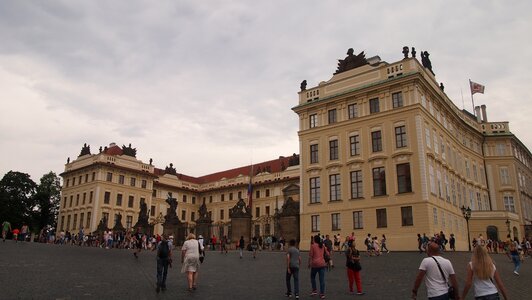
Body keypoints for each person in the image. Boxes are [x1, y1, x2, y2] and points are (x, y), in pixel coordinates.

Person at [309, 235, 329, 299]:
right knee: (322, 280)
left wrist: (309, 263)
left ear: (314, 240)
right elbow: (328, 254)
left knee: (312, 277)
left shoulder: (313, 246)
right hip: (322, 264)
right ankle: (322, 294)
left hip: (315, 264)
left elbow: (310, 255)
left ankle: (314, 290)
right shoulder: (322, 245)